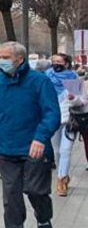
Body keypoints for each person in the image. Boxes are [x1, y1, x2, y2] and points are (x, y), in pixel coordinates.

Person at [0, 41, 61, 228]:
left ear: (19, 59)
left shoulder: (39, 82)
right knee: (11, 196)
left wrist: (40, 137)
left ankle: (44, 220)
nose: (0, 60)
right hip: (6, 147)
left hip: (34, 148)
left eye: (5, 57)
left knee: (36, 191)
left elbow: (51, 113)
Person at [46, 54, 85, 196]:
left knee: (65, 150)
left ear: (67, 64)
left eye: (59, 62)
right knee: (57, 151)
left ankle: (61, 181)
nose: (56, 64)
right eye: (54, 61)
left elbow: (82, 102)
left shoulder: (72, 79)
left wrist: (73, 98)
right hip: (53, 120)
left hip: (70, 121)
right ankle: (62, 174)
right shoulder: (47, 77)